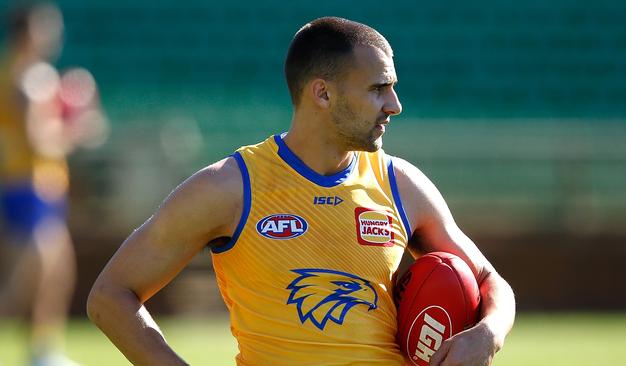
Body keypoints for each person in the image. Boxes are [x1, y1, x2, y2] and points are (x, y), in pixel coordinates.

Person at [87, 17, 515, 366]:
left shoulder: (402, 185)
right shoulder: (231, 186)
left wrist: (488, 334)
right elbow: (110, 297)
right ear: (323, 93)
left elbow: (490, 281)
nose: (394, 104)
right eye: (378, 88)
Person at [0, 3, 105, 366]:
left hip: (38, 187)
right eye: (47, 27)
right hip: (27, 187)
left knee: (57, 272)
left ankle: (43, 352)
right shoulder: (31, 77)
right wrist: (79, 124)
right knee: (25, 281)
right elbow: (39, 142)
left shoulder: (20, 71)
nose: (55, 35)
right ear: (29, 31)